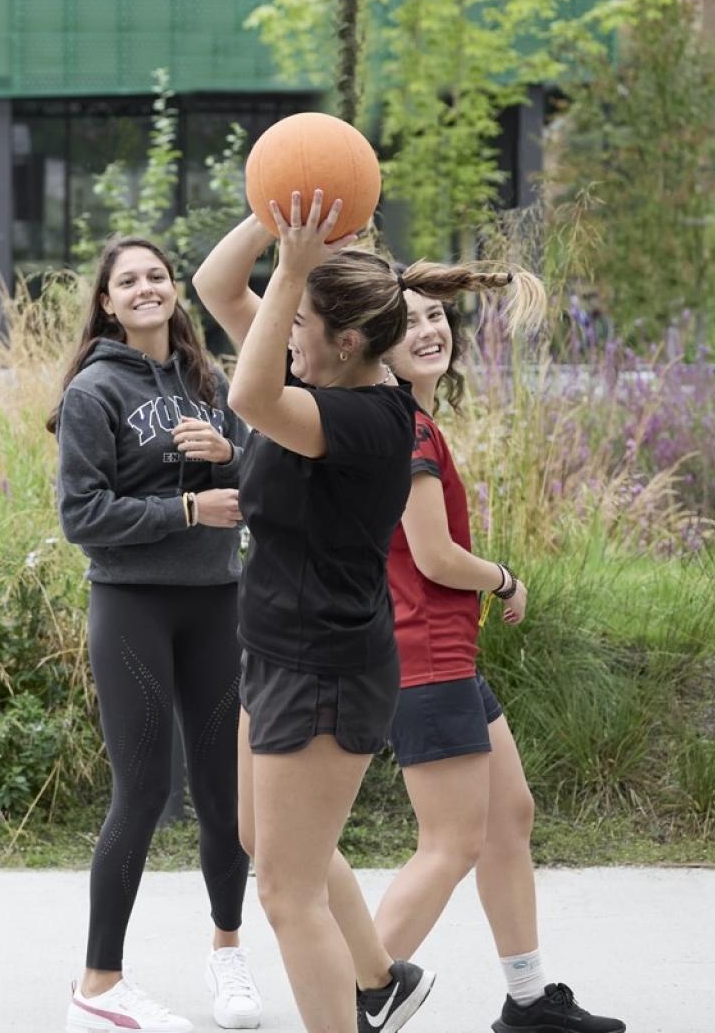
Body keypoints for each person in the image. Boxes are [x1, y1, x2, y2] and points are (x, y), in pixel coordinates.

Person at [192, 194, 539, 1033]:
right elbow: (215, 284)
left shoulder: (368, 420)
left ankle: (360, 1003)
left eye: (301, 317)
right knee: (259, 840)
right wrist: (279, 221)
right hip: (273, 652)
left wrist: (298, 269)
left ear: (343, 342)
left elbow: (247, 396)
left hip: (324, 668)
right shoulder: (317, 374)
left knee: (287, 890)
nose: (286, 329)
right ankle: (382, 979)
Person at [373, 285, 623, 1033]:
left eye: (434, 316)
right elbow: (435, 555)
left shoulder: (407, 420)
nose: (428, 330)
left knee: (509, 817)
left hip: (449, 655)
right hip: (425, 655)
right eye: (407, 321)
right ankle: (358, 997)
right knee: (450, 845)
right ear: (375, 342)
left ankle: (527, 1000)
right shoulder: (407, 432)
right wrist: (504, 577)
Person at [53, 237, 262, 1033]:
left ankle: (228, 956)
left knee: (224, 797)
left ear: (176, 291)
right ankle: (98, 987)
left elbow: (266, 479)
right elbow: (81, 516)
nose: (147, 288)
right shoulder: (92, 392)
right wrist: (185, 509)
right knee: (144, 794)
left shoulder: (211, 384)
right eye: (128, 280)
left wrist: (231, 454)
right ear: (107, 302)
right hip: (133, 607)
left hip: (218, 603)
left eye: (158, 276)